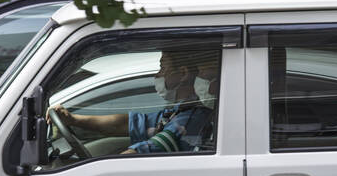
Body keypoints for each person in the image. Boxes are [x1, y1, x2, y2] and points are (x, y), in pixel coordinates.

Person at [47, 49, 218, 154]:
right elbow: (128, 123)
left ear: (183, 73)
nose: (158, 75)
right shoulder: (181, 109)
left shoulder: (195, 116)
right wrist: (73, 119)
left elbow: (155, 147)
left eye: (163, 67)